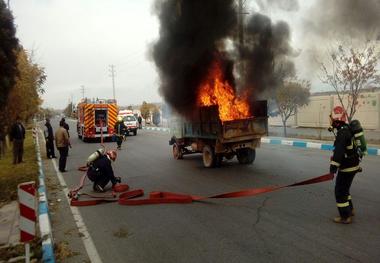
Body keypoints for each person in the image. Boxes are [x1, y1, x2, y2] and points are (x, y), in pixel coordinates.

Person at [329, 113, 361, 224]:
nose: (331, 123)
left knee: (340, 191)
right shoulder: (347, 128)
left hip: (347, 167)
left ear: (337, 122)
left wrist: (332, 169)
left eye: (332, 120)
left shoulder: (342, 133)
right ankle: (350, 210)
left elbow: (338, 153)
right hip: (353, 164)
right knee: (345, 189)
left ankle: (345, 216)